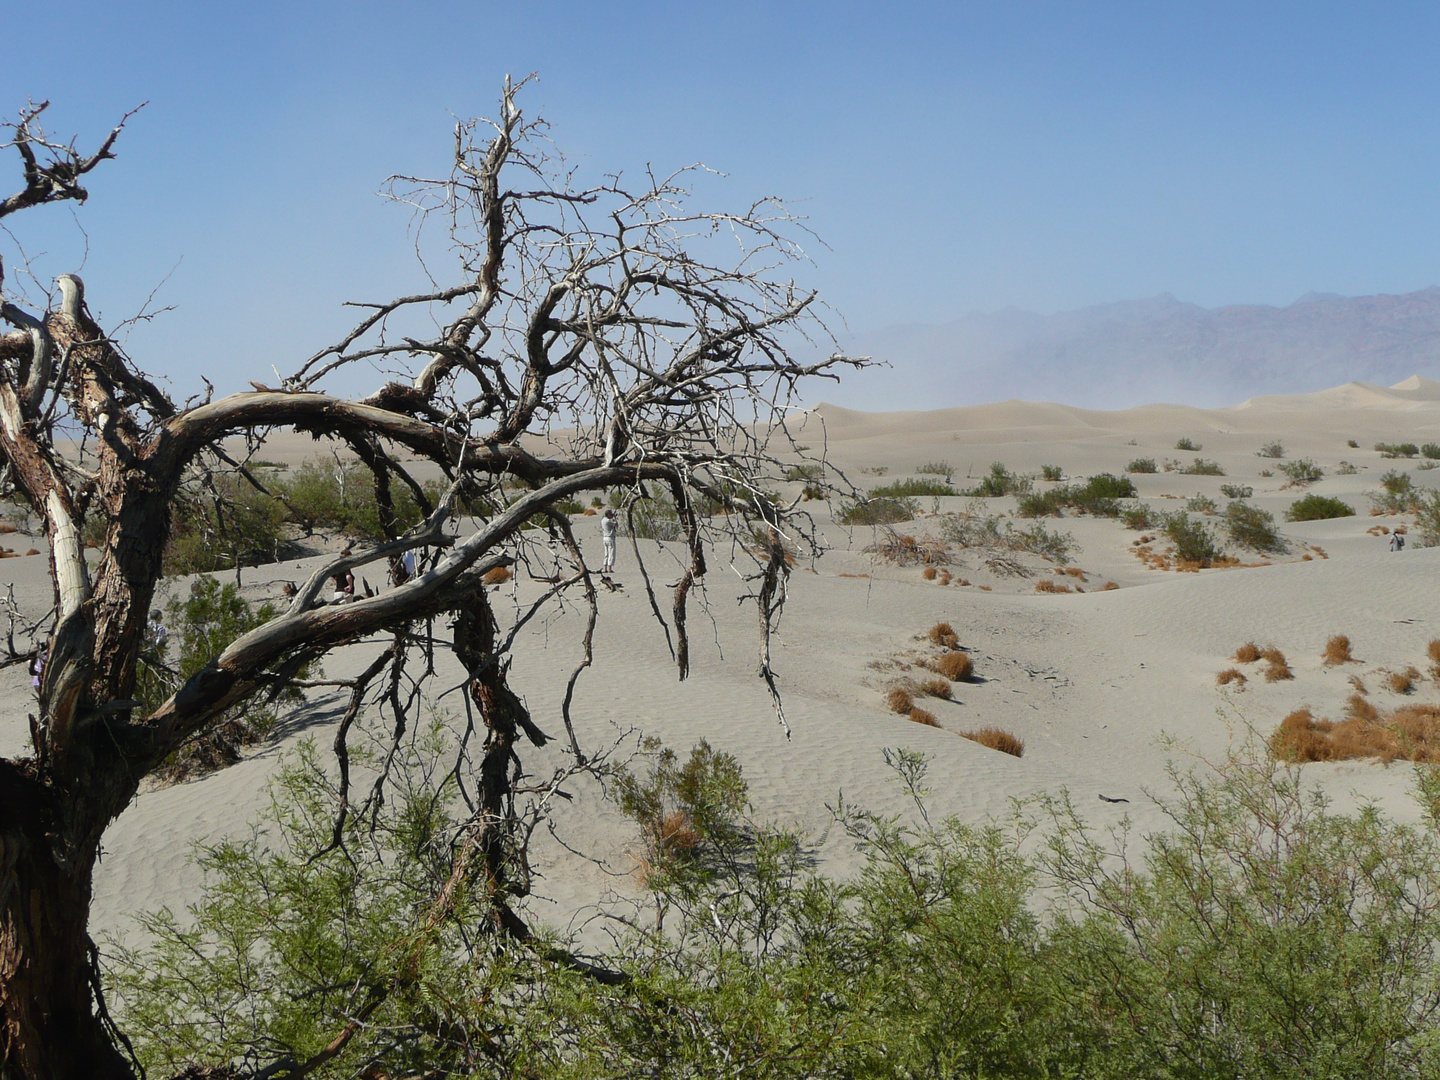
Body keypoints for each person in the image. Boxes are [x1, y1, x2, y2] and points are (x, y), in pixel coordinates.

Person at [600, 508, 618, 573]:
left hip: (605, 538)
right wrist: (615, 518)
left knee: (606, 553)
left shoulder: (603, 520)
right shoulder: (608, 521)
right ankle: (609, 568)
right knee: (611, 553)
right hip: (610, 538)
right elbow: (616, 525)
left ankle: (605, 568)